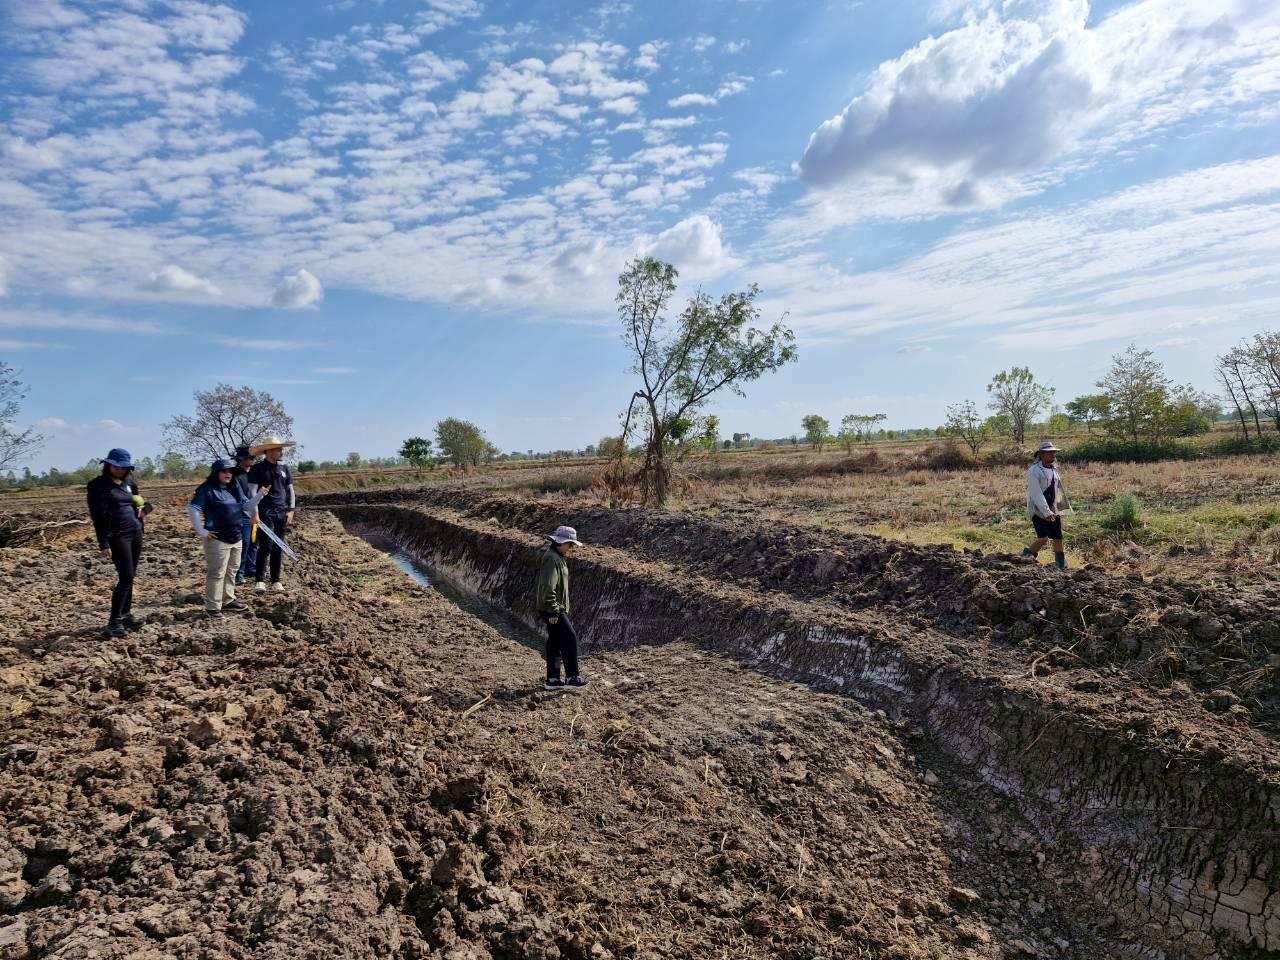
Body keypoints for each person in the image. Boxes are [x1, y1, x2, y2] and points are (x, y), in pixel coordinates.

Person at [86, 448, 151, 638]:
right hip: (117, 536)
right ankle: (113, 622)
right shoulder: (99, 486)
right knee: (125, 577)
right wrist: (103, 542)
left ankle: (126, 615)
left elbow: (139, 504)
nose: (120, 470)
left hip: (135, 533)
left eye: (123, 467)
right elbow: (97, 515)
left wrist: (146, 509)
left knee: (130, 577)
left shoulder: (129, 484)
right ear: (108, 465)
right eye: (116, 466)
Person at [190, 459, 266, 619]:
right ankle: (212, 607)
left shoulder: (234, 488)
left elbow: (246, 506)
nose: (228, 474)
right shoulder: (207, 490)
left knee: (231, 571)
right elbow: (193, 509)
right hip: (217, 539)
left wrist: (259, 496)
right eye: (224, 471)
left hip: (236, 536)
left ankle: (228, 599)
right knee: (217, 573)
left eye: (230, 472)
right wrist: (202, 531)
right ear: (216, 473)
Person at [535, 525, 588, 691]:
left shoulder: (556, 557)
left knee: (555, 641)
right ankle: (572, 677)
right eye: (570, 544)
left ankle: (553, 679)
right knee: (570, 637)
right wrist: (553, 611)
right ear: (562, 542)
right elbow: (548, 587)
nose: (571, 548)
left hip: (553, 608)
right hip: (553, 608)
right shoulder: (552, 559)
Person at [246, 435, 297, 593]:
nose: (281, 452)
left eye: (281, 449)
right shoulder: (257, 470)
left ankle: (276, 581)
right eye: (278, 449)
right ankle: (260, 581)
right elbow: (252, 493)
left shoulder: (284, 468)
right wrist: (255, 513)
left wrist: (291, 510)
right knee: (265, 546)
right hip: (264, 513)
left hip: (281, 513)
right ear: (268, 451)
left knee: (278, 547)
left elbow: (290, 491)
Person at [1024, 441, 1069, 570]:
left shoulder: (1054, 470)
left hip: (1053, 508)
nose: (1053, 455)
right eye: (1050, 452)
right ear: (1041, 454)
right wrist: (1046, 512)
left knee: (1058, 537)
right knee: (1043, 538)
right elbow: (1036, 493)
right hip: (1039, 509)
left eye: (1054, 452)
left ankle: (1060, 566)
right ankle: (1024, 558)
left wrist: (1058, 509)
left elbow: (1057, 490)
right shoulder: (1034, 470)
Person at [231, 445, 258, 586]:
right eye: (249, 457)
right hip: (241, 513)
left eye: (253, 457)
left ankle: (251, 569)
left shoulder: (255, 473)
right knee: (245, 542)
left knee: (254, 542)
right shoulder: (234, 475)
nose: (252, 460)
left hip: (256, 512)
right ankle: (239, 573)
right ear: (241, 459)